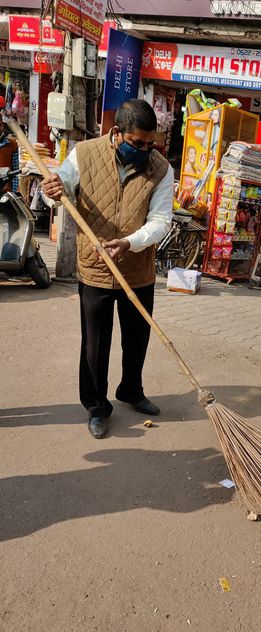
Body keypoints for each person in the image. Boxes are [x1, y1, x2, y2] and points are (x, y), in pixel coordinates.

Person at [41, 99, 174, 439]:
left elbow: (161, 221)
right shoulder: (84, 154)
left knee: (136, 339)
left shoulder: (161, 169)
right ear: (117, 133)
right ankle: (97, 406)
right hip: (96, 266)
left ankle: (131, 389)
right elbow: (61, 190)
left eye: (150, 144)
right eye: (137, 144)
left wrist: (130, 242)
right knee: (95, 344)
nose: (145, 151)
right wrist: (51, 191)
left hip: (137, 268)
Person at [0, 119, 20, 192]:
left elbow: (15, 170)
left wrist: (13, 191)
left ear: (2, 126)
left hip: (5, 190)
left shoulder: (12, 144)